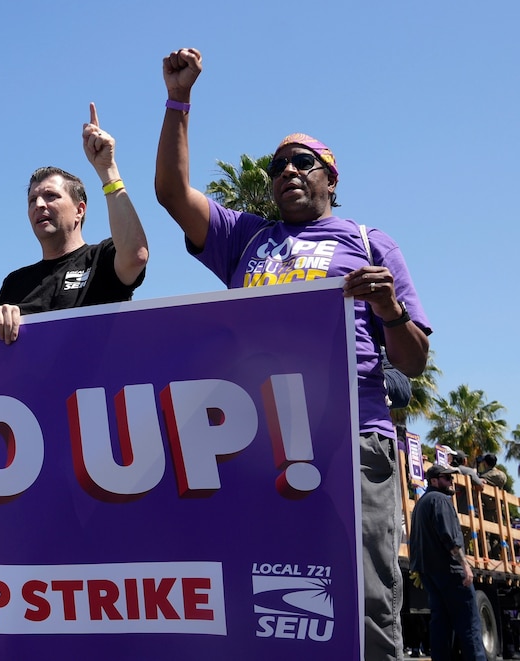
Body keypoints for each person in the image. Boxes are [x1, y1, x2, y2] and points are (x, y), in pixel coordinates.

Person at [154, 48, 432, 661]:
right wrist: (179, 100)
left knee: (365, 604)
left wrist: (390, 311)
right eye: (277, 165)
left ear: (331, 177)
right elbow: (172, 193)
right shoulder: (245, 239)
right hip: (261, 443)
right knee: (276, 602)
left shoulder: (368, 242)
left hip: (352, 436)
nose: (287, 172)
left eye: (302, 162)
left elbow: (412, 362)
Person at [0, 103, 149, 344]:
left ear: (79, 211)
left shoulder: (101, 259)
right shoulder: (15, 283)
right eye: (32, 200)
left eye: (51, 196)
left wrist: (108, 170)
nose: (39, 204)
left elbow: (136, 255)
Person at [409, 463, 487, 661]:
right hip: (450, 571)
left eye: (452, 478)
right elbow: (449, 537)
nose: (452, 482)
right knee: (469, 623)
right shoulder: (441, 500)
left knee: (440, 625)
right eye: (447, 478)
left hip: (429, 572)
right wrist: (465, 565)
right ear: (434, 481)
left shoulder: (421, 503)